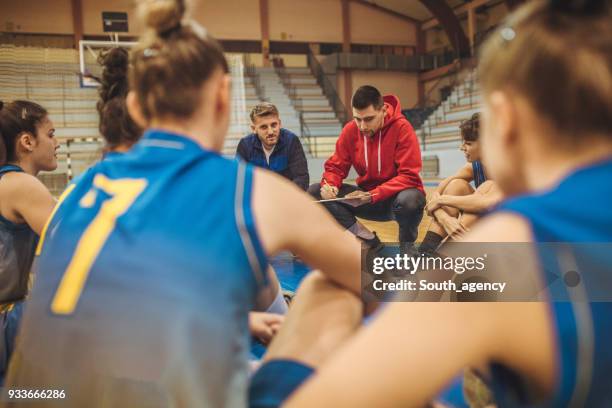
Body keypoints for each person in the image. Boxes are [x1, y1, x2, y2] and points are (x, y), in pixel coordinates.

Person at [248, 0, 612, 406]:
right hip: (391, 236)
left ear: (504, 120)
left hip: (397, 222)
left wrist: (302, 329)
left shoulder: (510, 248)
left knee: (324, 291)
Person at [4, 1, 360, 406]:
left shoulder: (74, 192)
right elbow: (371, 274)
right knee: (330, 290)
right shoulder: (245, 188)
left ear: (135, 107)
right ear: (223, 98)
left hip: (32, 395)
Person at [308, 85, 426, 247]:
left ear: (383, 110)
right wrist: (330, 185)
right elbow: (335, 168)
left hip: (395, 200)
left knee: (411, 200)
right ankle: (369, 240)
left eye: (369, 119)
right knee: (315, 191)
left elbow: (409, 177)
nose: (362, 126)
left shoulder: (402, 128)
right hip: (366, 200)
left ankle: (406, 250)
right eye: (357, 119)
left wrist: (373, 194)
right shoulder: (350, 130)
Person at [0, 100, 58, 382]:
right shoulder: (21, 184)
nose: (56, 142)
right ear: (27, 141)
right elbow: (73, 242)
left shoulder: (8, 183)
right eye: (50, 134)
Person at [420, 113, 503, 252]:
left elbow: (487, 203)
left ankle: (439, 263)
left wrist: (443, 200)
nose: (462, 147)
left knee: (485, 189)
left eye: (468, 143)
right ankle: (424, 253)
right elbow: (435, 195)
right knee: (456, 185)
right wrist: (445, 218)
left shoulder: (507, 166)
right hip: (486, 225)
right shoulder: (474, 166)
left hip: (515, 229)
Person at [236, 102, 309, 191]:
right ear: (254, 129)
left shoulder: (291, 141)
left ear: (280, 124)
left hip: (286, 198)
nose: (270, 132)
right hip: (257, 200)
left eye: (274, 125)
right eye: (264, 127)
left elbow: (301, 178)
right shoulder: (245, 145)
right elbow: (239, 181)